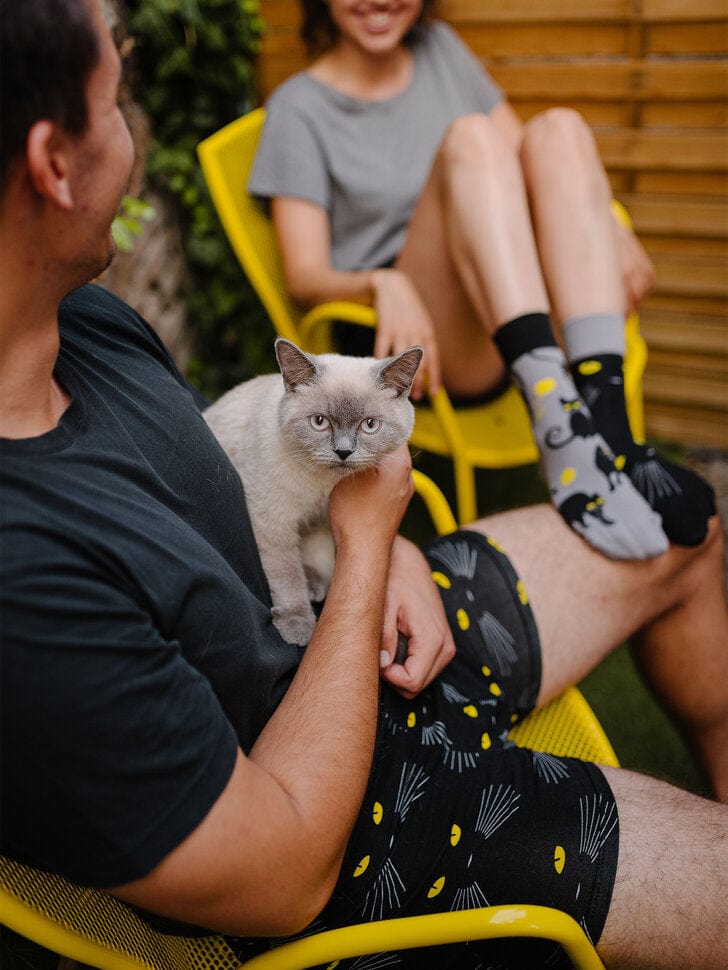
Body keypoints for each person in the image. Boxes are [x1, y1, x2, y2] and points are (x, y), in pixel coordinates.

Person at [1, 2, 727, 968]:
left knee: (685, 523)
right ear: (55, 162)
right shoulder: (23, 573)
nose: (132, 136)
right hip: (345, 807)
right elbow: (280, 871)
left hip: (354, 635)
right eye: (118, 98)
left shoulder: (86, 324)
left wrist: (399, 559)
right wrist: (371, 546)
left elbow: (249, 493)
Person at [249, 0, 716, 561]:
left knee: (559, 129)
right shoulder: (299, 107)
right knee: (470, 137)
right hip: (422, 337)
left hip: (512, 295)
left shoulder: (441, 50)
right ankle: (564, 428)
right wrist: (381, 284)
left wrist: (611, 228)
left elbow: (528, 156)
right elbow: (303, 275)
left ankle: (608, 429)